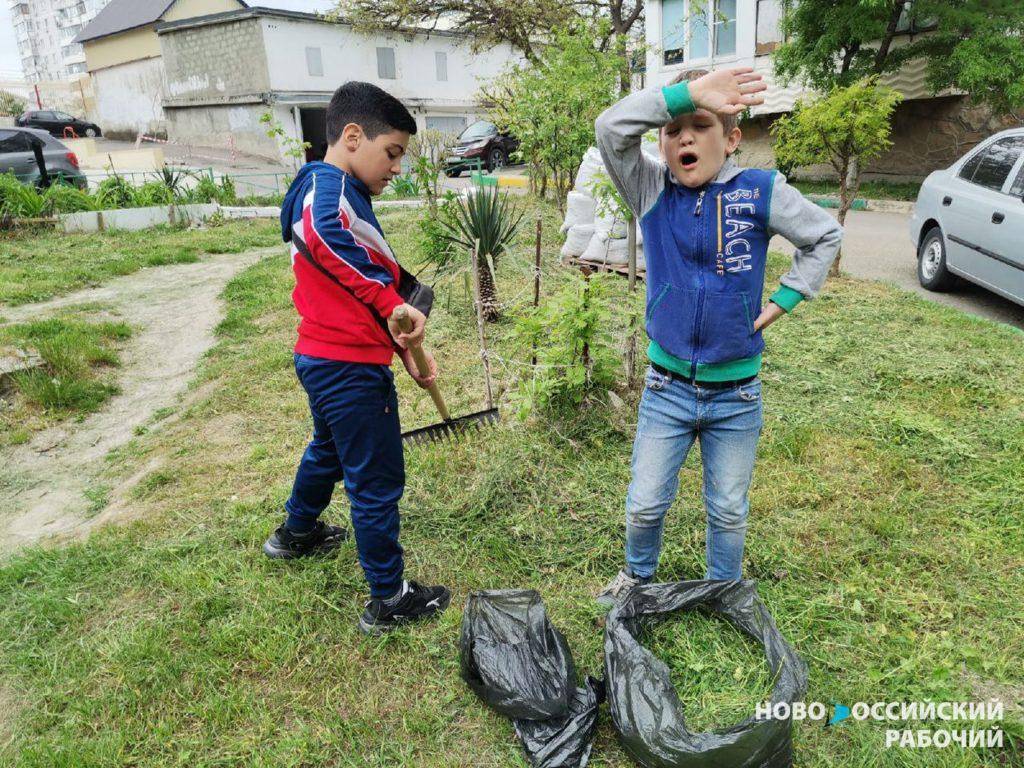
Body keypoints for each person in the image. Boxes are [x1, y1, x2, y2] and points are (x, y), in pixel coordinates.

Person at [593, 67, 843, 602]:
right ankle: (637, 578)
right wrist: (684, 96)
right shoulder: (650, 189)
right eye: (672, 128)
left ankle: (723, 588)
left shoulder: (761, 191)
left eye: (700, 125)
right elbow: (610, 129)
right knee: (644, 503)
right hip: (666, 390)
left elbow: (824, 235)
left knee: (728, 507)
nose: (683, 136)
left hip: (737, 394)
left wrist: (786, 298)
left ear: (731, 140)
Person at [263, 81, 450, 635]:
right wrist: (391, 301)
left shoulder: (333, 189)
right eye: (391, 153)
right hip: (347, 368)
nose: (396, 168)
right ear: (351, 136)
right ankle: (389, 598)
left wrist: (406, 347)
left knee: (329, 449)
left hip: (326, 357)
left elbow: (353, 281)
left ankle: (296, 533)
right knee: (376, 479)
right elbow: (325, 238)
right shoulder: (328, 191)